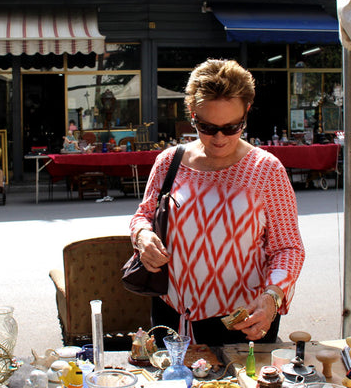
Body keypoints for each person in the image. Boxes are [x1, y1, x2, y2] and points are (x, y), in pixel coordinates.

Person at [129, 59, 305, 345]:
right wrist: (143, 236)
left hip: (242, 320)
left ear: (247, 112)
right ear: (192, 114)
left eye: (232, 127)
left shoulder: (266, 170)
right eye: (207, 127)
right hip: (171, 313)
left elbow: (288, 248)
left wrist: (272, 297)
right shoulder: (169, 162)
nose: (220, 138)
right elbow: (144, 215)